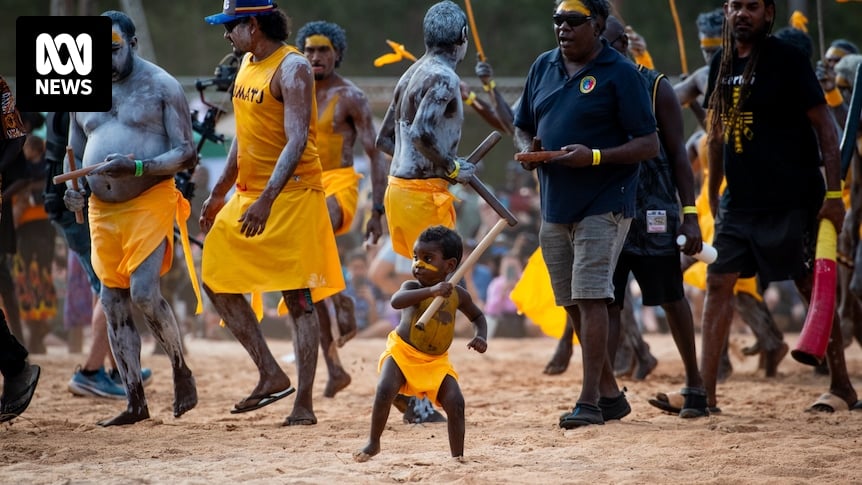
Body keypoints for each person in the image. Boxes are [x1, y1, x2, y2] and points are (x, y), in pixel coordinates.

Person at [700, 0, 857, 413]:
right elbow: (717, 134)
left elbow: (826, 128)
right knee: (718, 284)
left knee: (811, 288)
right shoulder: (721, 60)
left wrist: (834, 195)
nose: (740, 14)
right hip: (739, 203)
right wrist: (714, 190)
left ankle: (841, 386)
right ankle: (705, 397)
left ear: (768, 13)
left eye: (751, 6)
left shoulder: (788, 60)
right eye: (734, 6)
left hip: (793, 199)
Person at [514, 0, 659, 428]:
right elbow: (521, 121)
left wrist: (594, 156)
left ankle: (590, 401)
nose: (562, 28)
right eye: (557, 20)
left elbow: (648, 143)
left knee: (593, 296)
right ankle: (612, 394)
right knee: (573, 303)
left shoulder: (622, 73)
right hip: (555, 203)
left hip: (605, 200)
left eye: (573, 21)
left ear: (597, 25)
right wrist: (530, 148)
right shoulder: (542, 66)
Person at [202, 0, 345, 426]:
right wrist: (218, 193)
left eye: (231, 26)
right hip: (249, 195)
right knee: (215, 277)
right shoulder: (246, 61)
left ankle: (303, 404)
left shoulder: (293, 67)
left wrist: (267, 199)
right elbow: (241, 138)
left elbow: (297, 139)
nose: (226, 35)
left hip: (293, 196)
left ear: (252, 24)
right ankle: (269, 371)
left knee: (298, 299)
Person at [64, 10, 198, 426]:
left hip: (148, 198)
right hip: (102, 209)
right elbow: (74, 150)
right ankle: (134, 401)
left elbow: (186, 152)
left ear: (133, 44)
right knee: (112, 300)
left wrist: (137, 168)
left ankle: (180, 367)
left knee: (143, 292)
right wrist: (74, 190)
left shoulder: (162, 85)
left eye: (113, 49)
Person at [374, 0, 476, 424]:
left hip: (403, 191)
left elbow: (386, 140)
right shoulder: (443, 77)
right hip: (421, 194)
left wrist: (439, 171)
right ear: (462, 40)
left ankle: (413, 389)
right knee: (434, 294)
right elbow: (419, 133)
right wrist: (450, 167)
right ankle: (407, 392)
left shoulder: (411, 73)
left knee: (429, 291)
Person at [296, 20, 388, 398]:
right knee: (307, 283)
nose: (316, 57)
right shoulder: (292, 91)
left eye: (323, 51)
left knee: (313, 233)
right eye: (310, 51)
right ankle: (334, 367)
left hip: (339, 186)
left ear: (337, 54)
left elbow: (376, 153)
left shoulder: (351, 96)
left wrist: (377, 210)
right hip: (300, 187)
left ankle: (340, 297)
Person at [354, 225, 488, 462]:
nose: (418, 264)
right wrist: (432, 292)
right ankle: (373, 442)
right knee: (385, 390)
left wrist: (481, 335)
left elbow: (478, 317)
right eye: (415, 257)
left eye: (427, 258)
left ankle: (457, 456)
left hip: (436, 362)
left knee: (456, 402)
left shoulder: (458, 295)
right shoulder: (412, 288)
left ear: (449, 265)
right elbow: (397, 301)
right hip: (402, 353)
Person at [44, 111, 153, 399]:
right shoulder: (76, 106)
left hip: (70, 201)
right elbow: (81, 153)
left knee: (103, 284)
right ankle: (90, 372)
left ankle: (116, 365)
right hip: (75, 203)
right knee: (111, 288)